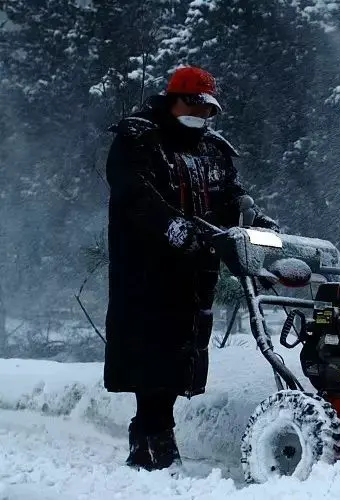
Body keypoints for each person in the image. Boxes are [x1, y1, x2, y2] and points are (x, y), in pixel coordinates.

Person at [103, 66, 279, 471]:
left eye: (208, 108)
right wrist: (174, 227)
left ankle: (156, 434)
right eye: (194, 104)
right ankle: (149, 436)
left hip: (196, 268)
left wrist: (257, 222)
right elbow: (134, 195)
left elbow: (232, 197)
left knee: (181, 352)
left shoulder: (212, 150)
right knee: (150, 349)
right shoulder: (139, 139)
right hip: (146, 268)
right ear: (173, 99)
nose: (201, 114)